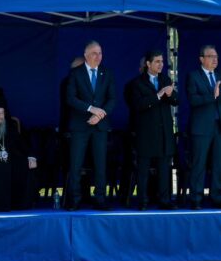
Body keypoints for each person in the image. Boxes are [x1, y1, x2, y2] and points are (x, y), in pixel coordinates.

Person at [65, 41, 115, 211]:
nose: (98, 56)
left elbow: (112, 99)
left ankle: (100, 199)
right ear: (86, 55)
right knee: (76, 164)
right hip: (80, 125)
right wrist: (90, 108)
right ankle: (74, 199)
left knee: (100, 164)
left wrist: (100, 114)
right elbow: (70, 98)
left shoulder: (106, 73)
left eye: (100, 53)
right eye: (94, 53)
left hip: (100, 126)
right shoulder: (75, 73)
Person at [125, 50, 178, 210]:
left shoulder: (165, 79)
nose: (161, 64)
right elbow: (138, 105)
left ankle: (165, 200)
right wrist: (158, 95)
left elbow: (176, 101)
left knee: (164, 169)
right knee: (143, 170)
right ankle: (143, 201)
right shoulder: (137, 83)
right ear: (148, 64)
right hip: (146, 134)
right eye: (157, 61)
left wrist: (171, 94)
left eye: (162, 61)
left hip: (164, 133)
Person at [186, 45, 221, 209]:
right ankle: (196, 198)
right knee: (199, 164)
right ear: (201, 59)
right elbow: (193, 100)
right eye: (211, 56)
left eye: (216, 57)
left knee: (218, 164)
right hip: (201, 128)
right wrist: (212, 95)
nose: (215, 59)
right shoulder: (193, 76)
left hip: (220, 126)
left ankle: (217, 197)